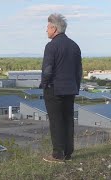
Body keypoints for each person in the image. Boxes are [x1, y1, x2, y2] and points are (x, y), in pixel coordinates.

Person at [40, 13, 82, 163]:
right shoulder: (74, 45)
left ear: (54, 28)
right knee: (68, 120)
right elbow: (79, 71)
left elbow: (47, 70)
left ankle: (58, 155)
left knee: (56, 121)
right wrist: (75, 87)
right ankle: (68, 153)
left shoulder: (51, 46)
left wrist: (44, 84)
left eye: (47, 27)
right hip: (70, 89)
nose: (46, 30)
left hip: (54, 89)